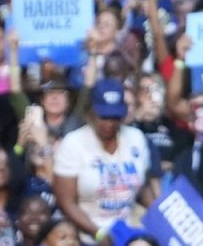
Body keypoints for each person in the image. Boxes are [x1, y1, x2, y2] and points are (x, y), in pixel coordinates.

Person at [51, 79, 152, 239]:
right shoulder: (73, 143)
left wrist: (159, 220)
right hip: (90, 233)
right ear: (90, 112)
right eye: (103, 116)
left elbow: (144, 187)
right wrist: (98, 233)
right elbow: (66, 201)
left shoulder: (136, 138)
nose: (110, 123)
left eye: (115, 116)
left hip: (131, 230)